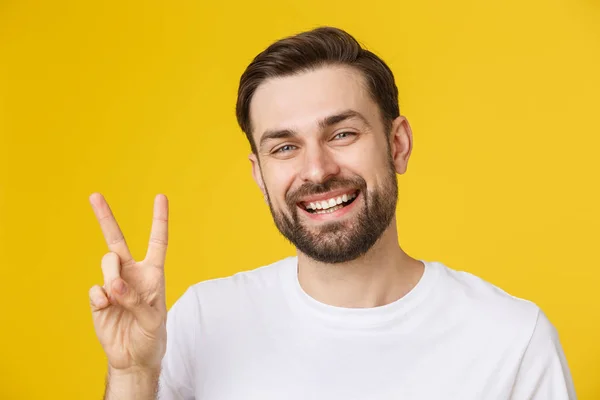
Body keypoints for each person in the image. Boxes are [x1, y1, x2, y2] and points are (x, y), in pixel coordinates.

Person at [88, 27, 577, 399]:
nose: (317, 169)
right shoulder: (201, 320)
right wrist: (133, 374)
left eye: (342, 134)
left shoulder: (511, 339)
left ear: (398, 144)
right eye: (284, 147)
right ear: (260, 176)